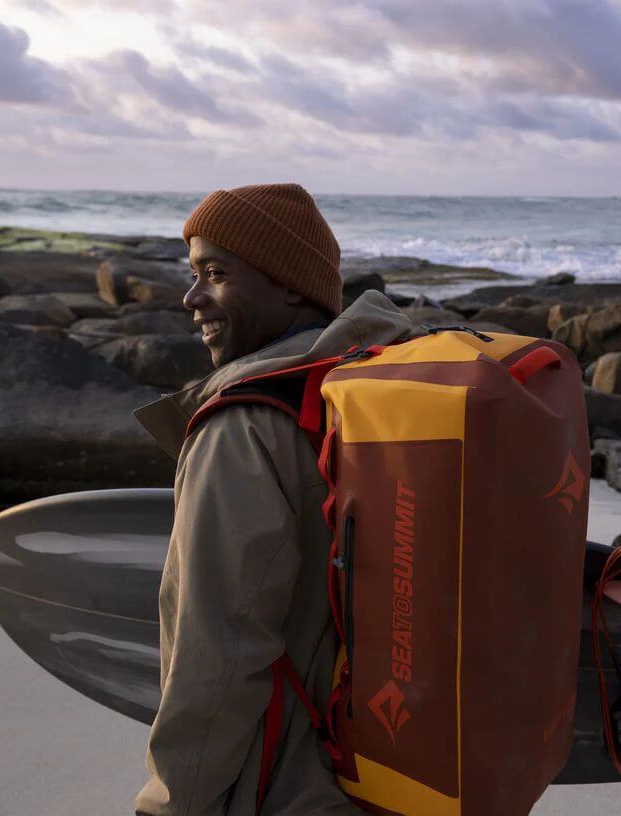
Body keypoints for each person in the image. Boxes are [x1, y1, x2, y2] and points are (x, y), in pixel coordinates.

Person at [132, 184, 411, 815]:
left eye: (216, 273)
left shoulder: (242, 427)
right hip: (404, 773)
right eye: (194, 273)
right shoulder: (376, 380)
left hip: (292, 787)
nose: (192, 296)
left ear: (290, 285)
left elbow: (218, 658)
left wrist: (169, 807)